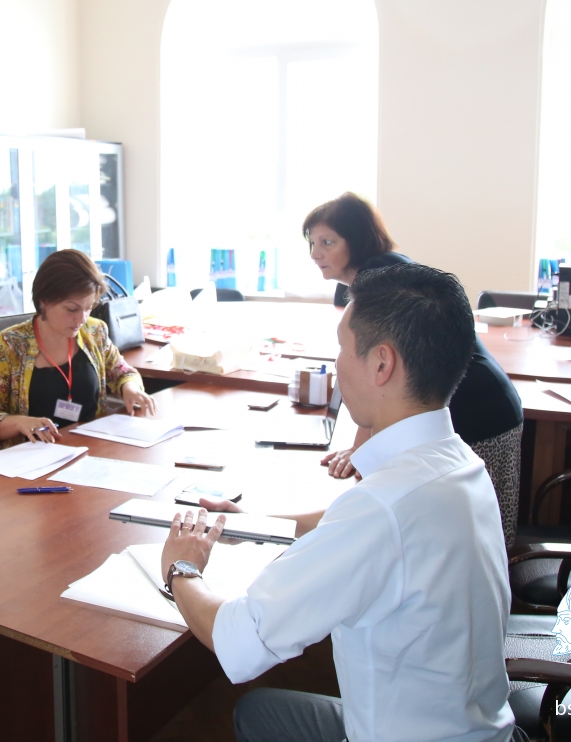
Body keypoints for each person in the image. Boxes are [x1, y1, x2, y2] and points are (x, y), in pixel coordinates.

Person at [161, 263, 518, 742]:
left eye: (342, 348)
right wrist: (257, 522)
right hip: (477, 727)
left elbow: (238, 642)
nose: (336, 365)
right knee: (261, 712)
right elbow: (362, 531)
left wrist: (181, 569)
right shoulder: (461, 465)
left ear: (382, 364)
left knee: (253, 709)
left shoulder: (381, 508)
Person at [304, 192, 524, 546]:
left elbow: (377, 376)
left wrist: (360, 452)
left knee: (472, 535)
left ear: (357, 240)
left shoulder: (379, 278)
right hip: (477, 399)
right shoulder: (374, 274)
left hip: (479, 407)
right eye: (313, 243)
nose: (316, 253)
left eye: (328, 242)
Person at [0, 249, 157, 447]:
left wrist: (130, 388)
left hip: (92, 448)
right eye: (72, 309)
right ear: (44, 301)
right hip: (33, 456)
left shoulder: (94, 332)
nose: (82, 319)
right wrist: (21, 423)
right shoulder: (6, 347)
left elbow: (122, 372)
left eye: (89, 308)